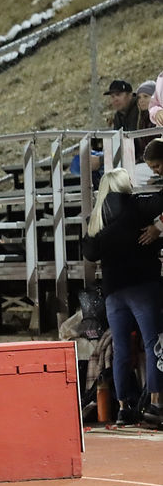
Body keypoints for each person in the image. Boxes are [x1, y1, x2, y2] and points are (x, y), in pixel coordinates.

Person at [82, 168, 162, 425]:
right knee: (154, 345)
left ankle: (123, 406)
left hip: (113, 293)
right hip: (143, 286)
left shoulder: (96, 217)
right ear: (125, 184)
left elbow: (90, 253)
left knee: (121, 349)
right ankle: (155, 403)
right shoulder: (136, 205)